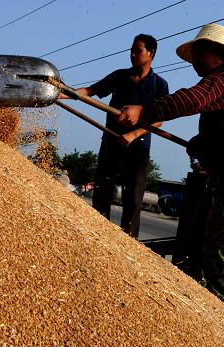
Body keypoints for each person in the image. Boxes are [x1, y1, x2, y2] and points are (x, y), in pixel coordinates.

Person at [119, 23, 224, 300]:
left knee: (217, 261)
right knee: (201, 243)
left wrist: (145, 108)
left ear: (218, 53)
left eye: (199, 52)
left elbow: (191, 100)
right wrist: (201, 144)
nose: (194, 62)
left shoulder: (221, 79)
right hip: (216, 179)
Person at [62, 34, 169, 238]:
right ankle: (97, 235)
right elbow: (91, 91)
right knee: (102, 191)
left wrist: (133, 134)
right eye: (131, 50)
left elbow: (159, 120)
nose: (132, 54)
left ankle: (129, 241)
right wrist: (63, 92)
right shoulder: (120, 77)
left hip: (138, 147)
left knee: (133, 198)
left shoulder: (159, 85)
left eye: (138, 50)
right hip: (111, 141)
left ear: (151, 53)